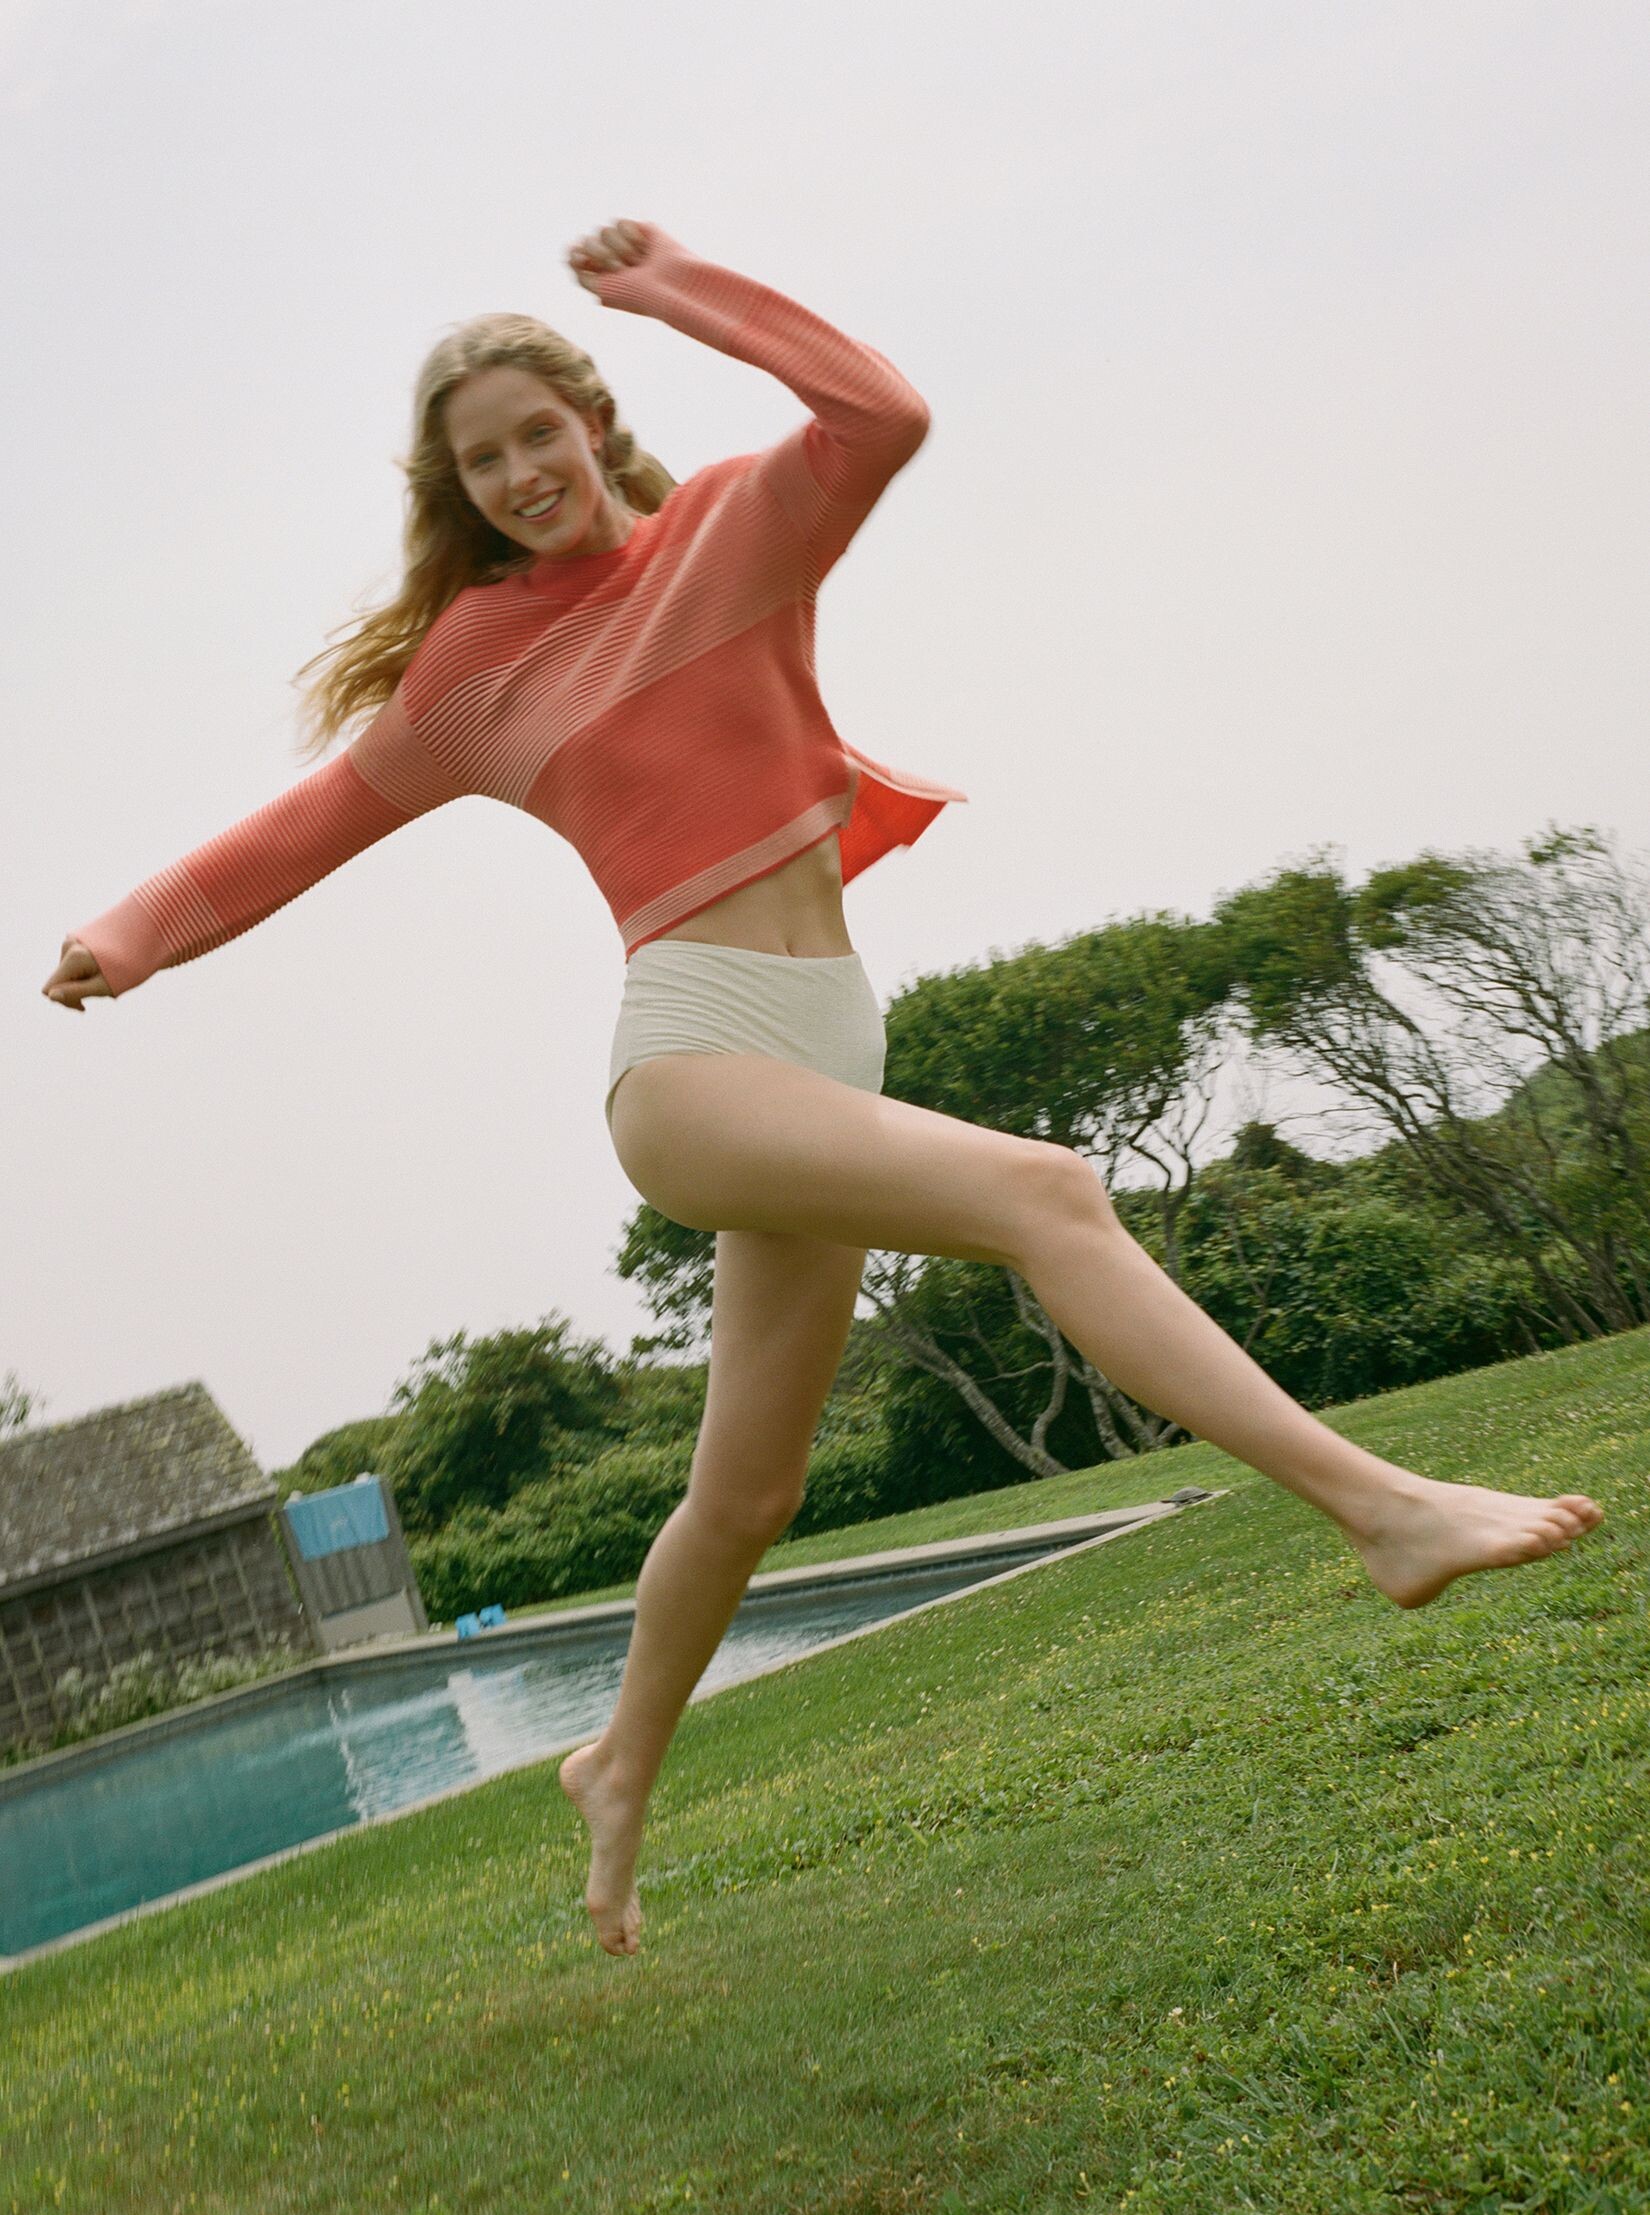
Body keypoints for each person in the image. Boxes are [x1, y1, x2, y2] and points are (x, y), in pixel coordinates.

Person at [44, 219, 1604, 1961]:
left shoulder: (739, 525)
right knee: (1048, 1194)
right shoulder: (473, 671)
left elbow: (880, 414)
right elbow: (299, 829)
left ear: (589, 419)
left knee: (746, 1495)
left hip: (823, 1035)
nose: (519, 475)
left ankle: (613, 1771)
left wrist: (674, 286)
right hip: (690, 1060)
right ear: (455, 490)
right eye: (480, 462)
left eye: (536, 433)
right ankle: (1382, 1512)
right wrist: (129, 935)